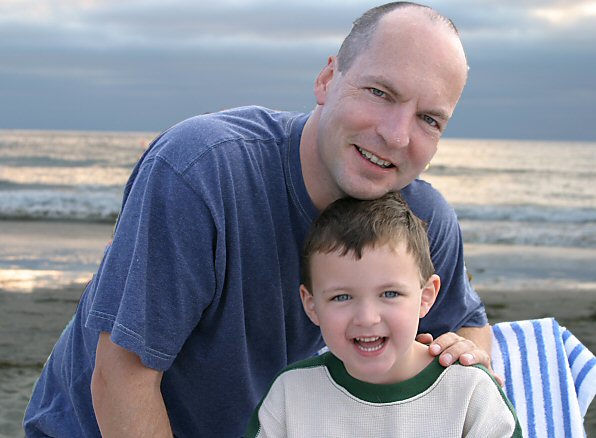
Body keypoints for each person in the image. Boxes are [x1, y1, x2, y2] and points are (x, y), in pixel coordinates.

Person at [24, 2, 492, 437]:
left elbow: (468, 326)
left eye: (429, 119)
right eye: (379, 92)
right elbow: (120, 379)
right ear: (328, 79)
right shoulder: (202, 171)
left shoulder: (422, 221)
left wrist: (465, 355)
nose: (395, 134)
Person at [245, 193, 521, 437]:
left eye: (390, 294)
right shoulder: (290, 395)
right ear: (312, 305)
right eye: (341, 297)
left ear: (426, 297)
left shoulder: (470, 392)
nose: (367, 318)